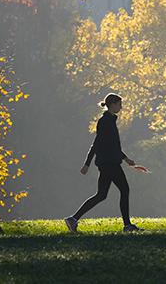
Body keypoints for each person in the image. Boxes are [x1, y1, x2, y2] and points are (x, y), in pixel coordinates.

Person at [65, 93, 144, 233]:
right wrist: (87, 164)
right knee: (124, 190)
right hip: (109, 163)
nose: (121, 107)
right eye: (119, 104)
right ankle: (127, 225)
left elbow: (108, 145)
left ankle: (73, 219)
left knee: (101, 195)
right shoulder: (105, 122)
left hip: (107, 162)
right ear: (112, 104)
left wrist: (125, 159)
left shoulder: (109, 121)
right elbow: (98, 144)